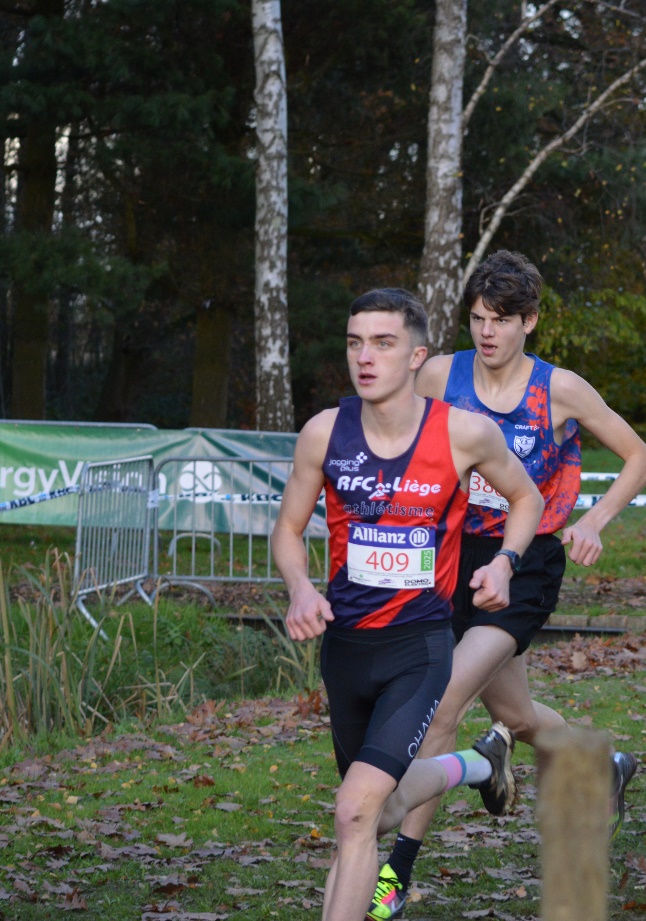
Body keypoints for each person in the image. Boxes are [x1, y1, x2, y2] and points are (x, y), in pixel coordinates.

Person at [371, 251, 646, 917]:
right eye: (476, 319)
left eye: (500, 321)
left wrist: (596, 519)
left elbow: (641, 456)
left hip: (525, 558)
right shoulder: (443, 373)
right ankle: (600, 760)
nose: (486, 333)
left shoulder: (559, 389)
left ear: (529, 321)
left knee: (442, 704)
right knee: (518, 714)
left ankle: (397, 874)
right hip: (451, 557)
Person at [271, 288, 545, 921]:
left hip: (417, 649)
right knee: (377, 808)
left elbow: (525, 499)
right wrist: (301, 587)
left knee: (354, 810)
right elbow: (287, 529)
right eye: (354, 342)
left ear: (417, 355)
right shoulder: (323, 433)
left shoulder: (463, 433)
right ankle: (474, 766)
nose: (365, 357)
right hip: (346, 651)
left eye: (383, 343)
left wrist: (506, 562)